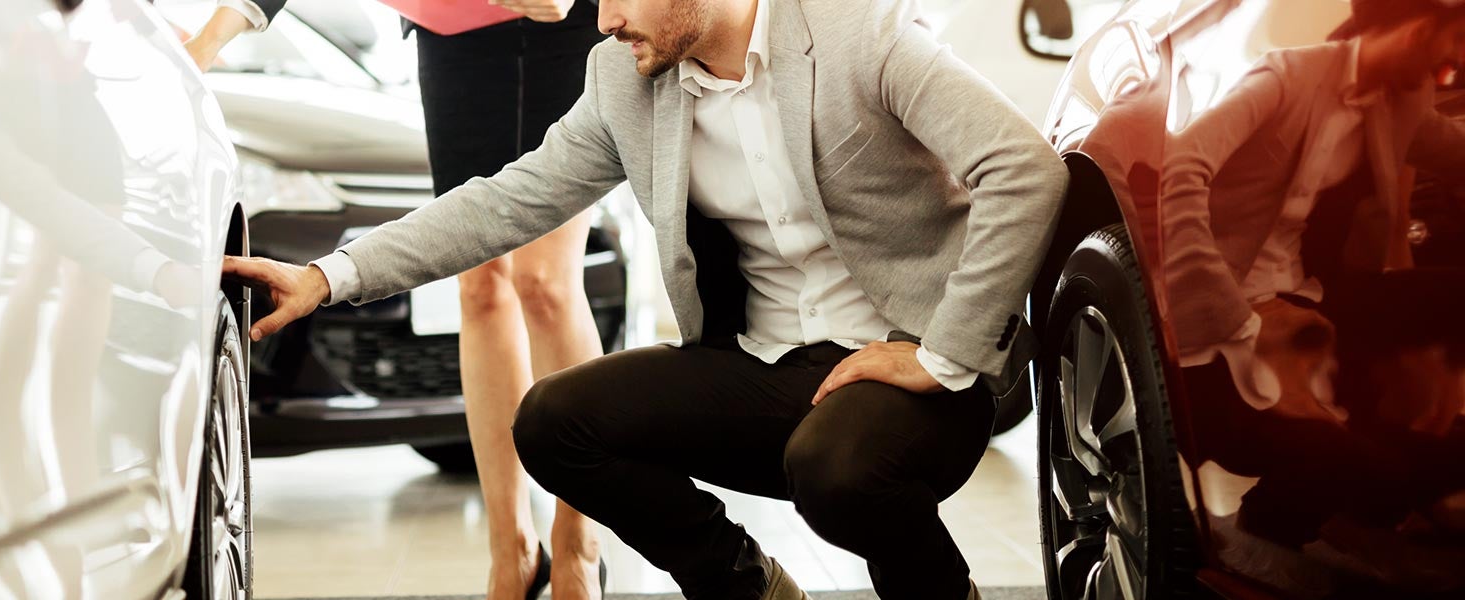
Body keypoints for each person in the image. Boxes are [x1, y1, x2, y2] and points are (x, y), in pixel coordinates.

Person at [225, 0, 1069, 596]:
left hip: (915, 375)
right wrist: (331, 275)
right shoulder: (624, 80)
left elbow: (1024, 169)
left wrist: (945, 351)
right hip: (768, 369)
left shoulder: (859, 28)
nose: (603, 17)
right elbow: (501, 202)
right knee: (554, 421)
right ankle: (748, 589)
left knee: (840, 469)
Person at [1155, 0, 1465, 550]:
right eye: (1454, 40)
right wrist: (1229, 307)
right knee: (1378, 474)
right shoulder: (1286, 76)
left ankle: (1386, 478)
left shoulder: (1403, 97)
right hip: (1226, 317)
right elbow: (1185, 163)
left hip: (1307, 299)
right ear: (1420, 29)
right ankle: (1270, 528)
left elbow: (1450, 148)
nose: (1455, 60)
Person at [400, 1, 614, 599]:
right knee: (479, 285)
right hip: (455, 28)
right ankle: (512, 550)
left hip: (568, 24)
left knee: (544, 282)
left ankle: (579, 543)